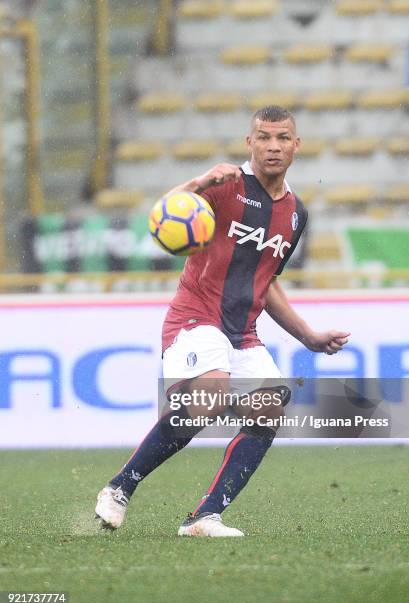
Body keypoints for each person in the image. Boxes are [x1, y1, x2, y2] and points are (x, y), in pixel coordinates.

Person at [95, 105, 350, 537]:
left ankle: (204, 517)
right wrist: (197, 183)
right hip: (195, 316)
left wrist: (308, 335)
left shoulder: (295, 214)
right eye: (264, 137)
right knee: (211, 390)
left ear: (296, 145)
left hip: (242, 333)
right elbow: (163, 216)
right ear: (249, 142)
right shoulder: (226, 185)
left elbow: (265, 281)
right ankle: (120, 487)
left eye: (283, 137)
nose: (274, 146)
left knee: (269, 408)